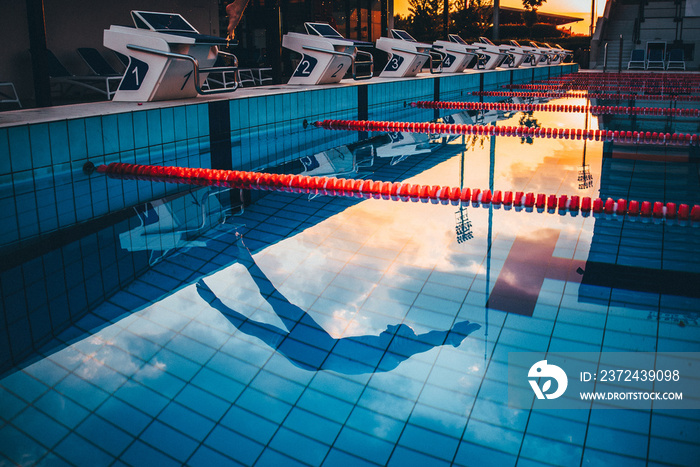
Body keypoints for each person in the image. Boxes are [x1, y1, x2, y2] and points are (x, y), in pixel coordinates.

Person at [197, 233, 481, 374]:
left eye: (393, 327)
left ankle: (228, 286)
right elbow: (424, 341)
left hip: (317, 352)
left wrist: (452, 336)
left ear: (399, 338)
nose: (387, 325)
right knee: (274, 311)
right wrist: (449, 336)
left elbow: (425, 341)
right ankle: (238, 272)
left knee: (270, 316)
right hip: (320, 350)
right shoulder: (392, 352)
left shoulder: (394, 353)